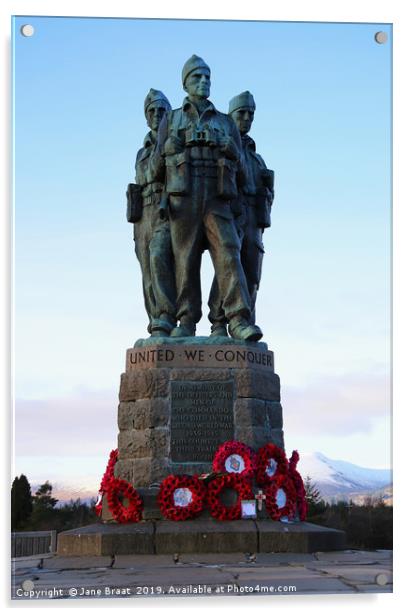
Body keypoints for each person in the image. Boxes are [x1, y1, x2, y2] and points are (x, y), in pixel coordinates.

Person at [153, 56, 262, 341]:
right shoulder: (172, 118)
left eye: (206, 78)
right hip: (184, 194)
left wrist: (231, 150)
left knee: (228, 252)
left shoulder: (225, 122)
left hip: (217, 194)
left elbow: (242, 171)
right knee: (185, 259)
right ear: (186, 83)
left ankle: (237, 319)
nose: (203, 83)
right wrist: (167, 149)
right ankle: (186, 320)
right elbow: (155, 170)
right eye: (196, 78)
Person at [208, 91, 274, 334]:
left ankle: (246, 322)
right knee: (227, 268)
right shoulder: (222, 146)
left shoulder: (257, 159)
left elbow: (267, 192)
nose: (246, 118)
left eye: (251, 114)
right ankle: (218, 321)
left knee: (251, 275)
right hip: (230, 214)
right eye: (241, 113)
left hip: (254, 221)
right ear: (231, 116)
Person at [128, 88, 176, 336]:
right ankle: (157, 321)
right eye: (152, 111)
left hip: (165, 210)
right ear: (146, 117)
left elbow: (158, 173)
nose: (157, 115)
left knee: (159, 257)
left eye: (161, 110)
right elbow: (144, 176)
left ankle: (167, 315)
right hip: (142, 215)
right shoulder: (142, 150)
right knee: (147, 270)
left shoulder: (173, 142)